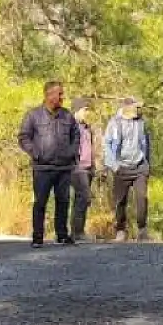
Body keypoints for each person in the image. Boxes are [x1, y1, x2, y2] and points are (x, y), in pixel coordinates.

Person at [17, 81, 79, 248]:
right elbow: (23, 137)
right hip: (42, 168)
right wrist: (36, 153)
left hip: (64, 168)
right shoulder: (33, 116)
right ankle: (38, 237)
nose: (62, 97)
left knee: (63, 201)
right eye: (59, 94)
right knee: (40, 202)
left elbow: (76, 136)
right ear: (49, 95)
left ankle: (62, 235)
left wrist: (72, 152)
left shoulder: (68, 116)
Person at [103, 96, 152, 242]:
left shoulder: (141, 123)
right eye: (136, 107)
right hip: (121, 167)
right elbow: (107, 145)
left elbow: (147, 144)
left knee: (142, 198)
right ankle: (120, 230)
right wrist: (114, 166)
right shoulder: (114, 123)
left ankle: (142, 230)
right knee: (120, 201)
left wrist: (147, 165)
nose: (139, 110)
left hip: (139, 167)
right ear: (127, 107)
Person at [69, 97, 96, 242]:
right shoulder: (69, 127)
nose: (86, 113)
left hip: (87, 168)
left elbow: (90, 148)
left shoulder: (87, 128)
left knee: (80, 199)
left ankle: (76, 231)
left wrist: (93, 166)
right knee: (85, 196)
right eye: (84, 110)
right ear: (77, 110)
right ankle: (77, 231)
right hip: (76, 167)